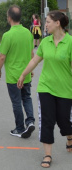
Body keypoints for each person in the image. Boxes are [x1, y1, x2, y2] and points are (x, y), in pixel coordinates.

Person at [18, 11, 72, 168]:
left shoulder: (70, 43)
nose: (45, 24)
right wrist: (23, 74)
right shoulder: (45, 42)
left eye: (48, 22)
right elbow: (35, 60)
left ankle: (69, 136)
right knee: (46, 121)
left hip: (65, 90)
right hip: (46, 87)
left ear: (58, 23)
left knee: (64, 121)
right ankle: (48, 155)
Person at [0, 5, 35, 138]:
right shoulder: (28, 33)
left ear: (10, 18)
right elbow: (31, 54)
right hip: (26, 74)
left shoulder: (8, 35)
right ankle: (30, 121)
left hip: (13, 76)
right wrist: (31, 70)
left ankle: (19, 128)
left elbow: (2, 56)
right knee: (27, 98)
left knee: (16, 101)